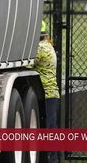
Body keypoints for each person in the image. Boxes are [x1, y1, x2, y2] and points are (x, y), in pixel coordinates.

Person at [33, 21, 60, 163]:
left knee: (49, 129)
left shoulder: (40, 48)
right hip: (51, 93)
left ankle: (52, 160)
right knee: (51, 128)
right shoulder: (48, 46)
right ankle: (52, 159)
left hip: (47, 93)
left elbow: (27, 64)